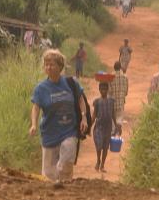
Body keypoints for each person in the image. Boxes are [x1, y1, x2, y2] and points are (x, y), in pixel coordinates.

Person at [29, 49, 88, 181]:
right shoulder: (41, 88)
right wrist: (33, 124)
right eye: (46, 64)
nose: (48, 67)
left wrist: (83, 117)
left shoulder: (71, 83)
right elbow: (36, 107)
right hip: (49, 134)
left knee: (67, 160)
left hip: (69, 131)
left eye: (52, 64)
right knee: (49, 175)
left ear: (60, 67)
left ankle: (65, 187)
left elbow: (80, 99)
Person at [92, 82, 119, 172]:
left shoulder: (111, 101)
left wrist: (116, 125)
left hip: (108, 128)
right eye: (102, 89)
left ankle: (102, 164)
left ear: (107, 90)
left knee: (105, 147)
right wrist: (89, 127)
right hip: (99, 127)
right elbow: (94, 115)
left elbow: (113, 114)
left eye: (105, 89)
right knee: (99, 146)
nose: (103, 91)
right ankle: (98, 160)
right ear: (99, 90)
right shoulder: (97, 102)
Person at [108, 61, 128, 136]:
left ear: (114, 68)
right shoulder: (125, 77)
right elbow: (126, 92)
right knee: (119, 117)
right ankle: (118, 128)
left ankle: (113, 132)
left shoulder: (110, 77)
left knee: (113, 118)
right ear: (121, 68)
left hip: (113, 102)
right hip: (121, 101)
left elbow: (109, 91)